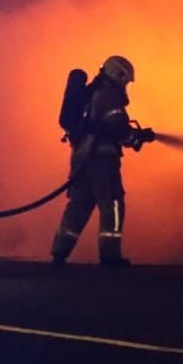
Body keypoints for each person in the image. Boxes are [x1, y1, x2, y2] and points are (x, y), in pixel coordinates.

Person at [50, 55, 155, 267]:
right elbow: (116, 127)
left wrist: (136, 136)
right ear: (118, 75)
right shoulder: (109, 95)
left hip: (82, 158)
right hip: (102, 160)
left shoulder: (93, 93)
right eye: (125, 80)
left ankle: (59, 253)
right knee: (112, 203)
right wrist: (137, 138)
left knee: (79, 205)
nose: (126, 85)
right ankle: (110, 256)